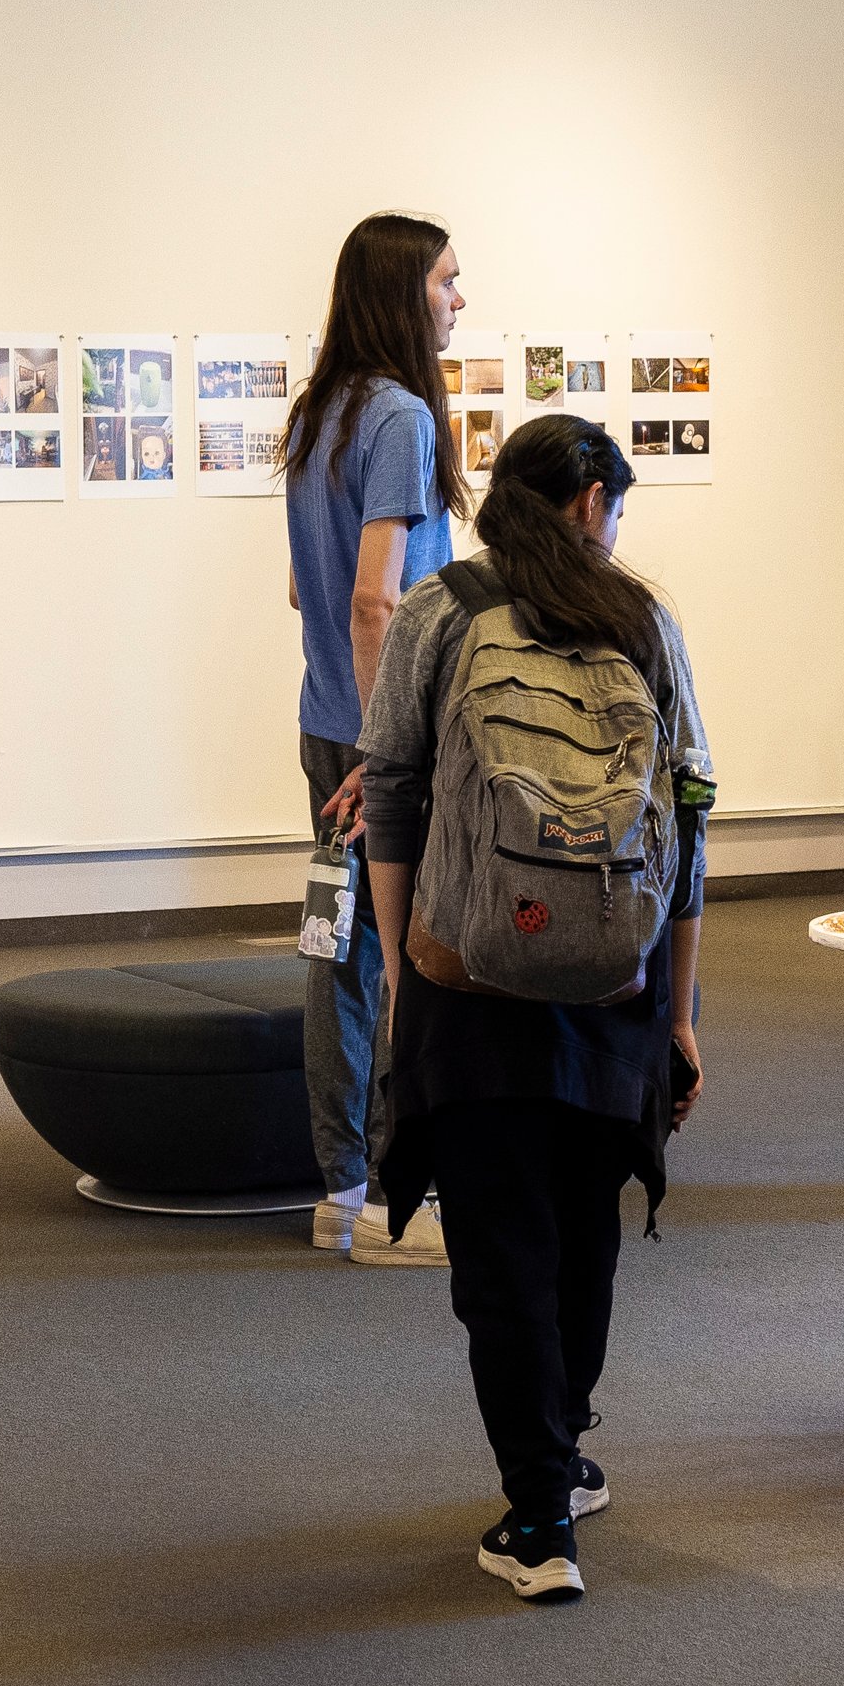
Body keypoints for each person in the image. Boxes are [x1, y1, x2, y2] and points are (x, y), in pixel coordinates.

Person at [355, 416, 707, 1604]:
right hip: (613, 973)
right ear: (592, 500)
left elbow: (392, 799)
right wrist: (682, 1010)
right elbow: (691, 825)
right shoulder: (642, 621)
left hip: (472, 970)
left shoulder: (435, 612)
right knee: (583, 1222)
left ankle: (539, 1509)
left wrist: (410, 971)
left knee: (499, 1243)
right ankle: (561, 1451)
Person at [283, 212, 466, 1264]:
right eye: (448, 280)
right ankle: (401, 1203)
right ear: (404, 293)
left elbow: (304, 590)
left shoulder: (324, 413)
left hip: (326, 725)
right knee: (412, 966)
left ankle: (342, 1192)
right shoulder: (399, 416)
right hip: (381, 741)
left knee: (336, 955)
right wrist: (386, 751)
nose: (459, 298)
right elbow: (371, 602)